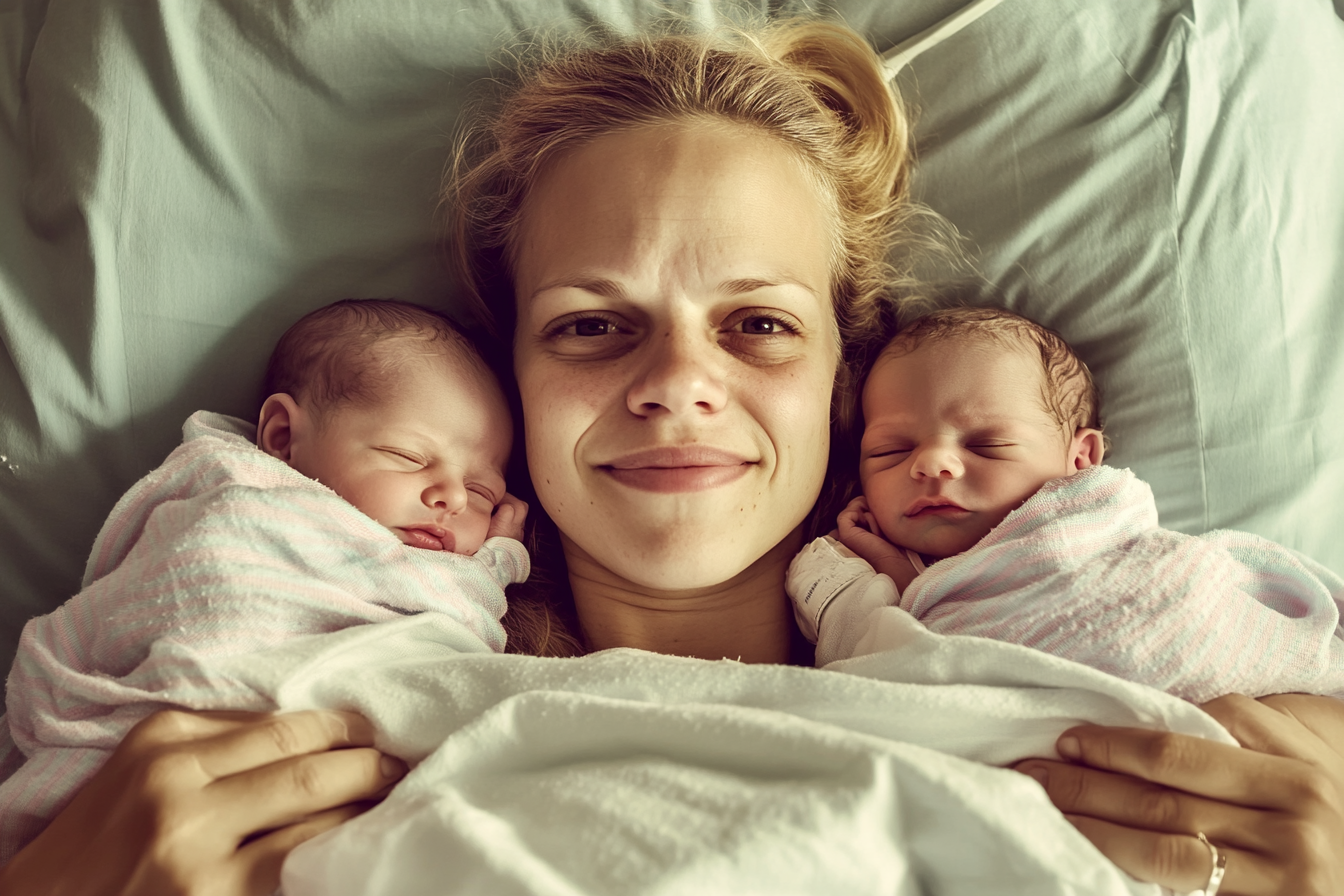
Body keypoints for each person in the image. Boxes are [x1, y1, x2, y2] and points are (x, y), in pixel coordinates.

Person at [2, 17, 1341, 896]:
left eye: (757, 324)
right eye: (593, 327)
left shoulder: (1104, 680)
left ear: (845, 376)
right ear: (507, 378)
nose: (675, 385)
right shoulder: (277, 711)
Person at [0, 298, 529, 862]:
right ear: (281, 438)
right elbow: (460, 607)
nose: (450, 496)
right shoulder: (237, 504)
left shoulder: (407, 557)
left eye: (481, 493)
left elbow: (449, 643)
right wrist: (494, 565)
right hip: (149, 757)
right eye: (406, 455)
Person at [787, 306, 1344, 703]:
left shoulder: (1100, 536)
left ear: (1082, 460)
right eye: (890, 450)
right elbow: (883, 672)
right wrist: (888, 572)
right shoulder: (874, 572)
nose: (930, 465)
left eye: (985, 444)